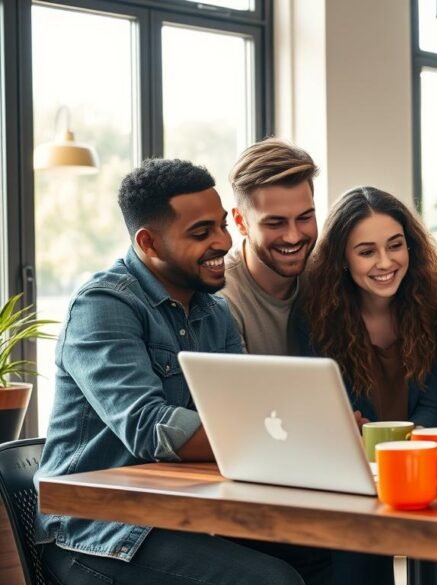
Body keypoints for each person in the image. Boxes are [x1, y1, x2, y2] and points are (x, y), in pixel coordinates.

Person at [34, 159, 329, 585]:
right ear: (149, 242)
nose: (223, 242)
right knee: (271, 581)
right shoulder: (104, 306)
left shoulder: (214, 311)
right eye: (201, 232)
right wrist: (300, 433)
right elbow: (149, 427)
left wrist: (315, 427)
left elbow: (246, 411)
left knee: (319, 552)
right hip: (99, 534)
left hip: (184, 516)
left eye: (222, 225)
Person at [300, 186, 437, 429]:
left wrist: (404, 446)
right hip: (354, 457)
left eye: (395, 246)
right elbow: (330, 408)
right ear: (341, 259)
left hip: (422, 452)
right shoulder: (315, 315)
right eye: (367, 252)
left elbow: (434, 403)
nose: (385, 262)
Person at [220, 138, 319, 355]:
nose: (293, 237)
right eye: (275, 223)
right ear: (240, 222)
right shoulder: (222, 299)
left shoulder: (328, 274)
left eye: (304, 218)